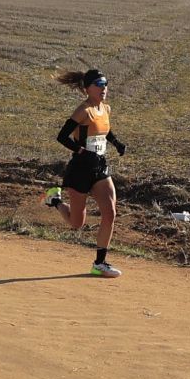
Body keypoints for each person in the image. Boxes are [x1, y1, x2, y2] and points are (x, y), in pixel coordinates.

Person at [43, 68, 127, 278]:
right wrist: (82, 152)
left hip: (99, 166)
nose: (104, 88)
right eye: (99, 84)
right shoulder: (83, 110)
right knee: (76, 223)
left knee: (110, 213)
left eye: (105, 83)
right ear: (87, 88)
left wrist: (116, 143)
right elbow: (62, 136)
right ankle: (54, 200)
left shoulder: (105, 109)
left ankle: (100, 263)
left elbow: (104, 131)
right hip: (81, 168)